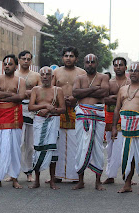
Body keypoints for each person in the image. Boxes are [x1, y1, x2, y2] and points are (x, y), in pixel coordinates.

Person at [112, 62, 139, 195]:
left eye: (136, 70)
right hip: (125, 126)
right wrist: (114, 127)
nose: (133, 72)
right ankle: (127, 184)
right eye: (131, 70)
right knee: (127, 156)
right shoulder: (122, 89)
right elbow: (117, 109)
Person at [72, 53, 109, 190]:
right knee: (80, 146)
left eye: (92, 62)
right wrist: (93, 89)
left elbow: (104, 93)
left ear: (96, 63)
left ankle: (98, 181)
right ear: (84, 63)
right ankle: (80, 181)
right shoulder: (79, 78)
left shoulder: (103, 77)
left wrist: (85, 91)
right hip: (82, 115)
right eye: (87, 62)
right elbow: (75, 93)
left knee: (97, 147)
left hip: (97, 115)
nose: (90, 64)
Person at [0, 54, 26, 189]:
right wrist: (11, 95)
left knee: (14, 148)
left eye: (10, 64)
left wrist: (2, 95)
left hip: (14, 116)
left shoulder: (20, 81)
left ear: (16, 66)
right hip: (0, 116)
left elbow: (21, 96)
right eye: (5, 64)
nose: (7, 66)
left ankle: (15, 178)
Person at [28, 66, 65, 190]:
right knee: (38, 150)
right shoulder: (35, 89)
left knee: (52, 150)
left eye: (47, 74)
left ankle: (52, 180)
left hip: (53, 122)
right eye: (42, 75)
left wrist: (52, 110)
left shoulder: (57, 90)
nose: (45, 77)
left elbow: (63, 109)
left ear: (52, 77)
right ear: (40, 76)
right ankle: (37, 180)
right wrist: (44, 106)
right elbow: (31, 107)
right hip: (39, 121)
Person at [52, 47, 86, 182]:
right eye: (66, 56)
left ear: (76, 59)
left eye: (71, 56)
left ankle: (74, 174)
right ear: (62, 58)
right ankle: (57, 175)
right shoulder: (56, 72)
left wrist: (75, 99)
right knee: (57, 142)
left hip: (76, 110)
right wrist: (60, 100)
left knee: (75, 142)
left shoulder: (82, 73)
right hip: (59, 111)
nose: (68, 58)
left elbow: (85, 92)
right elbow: (51, 90)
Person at [13, 50, 41, 182]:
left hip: (30, 111)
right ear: (18, 60)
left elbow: (41, 93)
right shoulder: (13, 74)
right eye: (23, 58)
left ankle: (29, 171)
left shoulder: (36, 76)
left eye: (28, 59)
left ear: (31, 61)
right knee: (16, 143)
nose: (26, 61)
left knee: (30, 144)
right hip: (15, 110)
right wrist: (28, 92)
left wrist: (27, 93)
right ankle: (13, 172)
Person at [102, 57, 131, 184]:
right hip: (109, 116)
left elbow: (132, 99)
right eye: (116, 65)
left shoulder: (130, 82)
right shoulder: (109, 83)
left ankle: (127, 175)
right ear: (113, 67)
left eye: (121, 65)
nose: (118, 67)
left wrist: (115, 97)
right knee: (110, 148)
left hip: (126, 117)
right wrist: (120, 98)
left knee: (125, 148)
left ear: (125, 67)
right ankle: (110, 175)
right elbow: (104, 100)